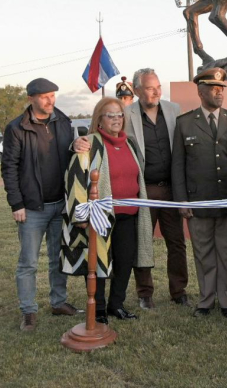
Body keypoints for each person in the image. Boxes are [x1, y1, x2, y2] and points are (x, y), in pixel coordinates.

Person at [1, 78, 86, 332]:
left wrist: (75, 146)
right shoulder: (16, 128)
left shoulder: (63, 120)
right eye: (45, 96)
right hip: (32, 208)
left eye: (53, 95)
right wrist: (17, 203)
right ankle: (28, 310)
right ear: (31, 99)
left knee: (57, 258)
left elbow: (67, 155)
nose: (51, 100)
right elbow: (9, 168)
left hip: (60, 204)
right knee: (28, 262)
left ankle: (58, 302)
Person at [62, 97, 154, 323]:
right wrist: (80, 214)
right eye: (110, 115)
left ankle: (117, 305)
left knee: (124, 262)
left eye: (119, 115)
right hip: (100, 217)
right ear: (99, 120)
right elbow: (75, 178)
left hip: (129, 214)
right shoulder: (89, 144)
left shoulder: (131, 144)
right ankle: (99, 308)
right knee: (98, 261)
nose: (116, 119)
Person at [172, 68, 227, 318]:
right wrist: (182, 200)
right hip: (199, 200)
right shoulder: (184, 123)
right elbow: (178, 166)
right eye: (214, 88)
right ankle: (205, 300)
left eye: (222, 88)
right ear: (200, 91)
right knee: (203, 252)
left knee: (226, 251)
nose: (219, 92)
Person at [124, 68, 190, 310]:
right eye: (151, 88)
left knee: (177, 242)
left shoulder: (173, 110)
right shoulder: (126, 114)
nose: (156, 92)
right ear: (137, 90)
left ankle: (179, 291)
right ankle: (145, 293)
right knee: (143, 242)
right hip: (144, 191)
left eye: (158, 87)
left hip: (172, 190)